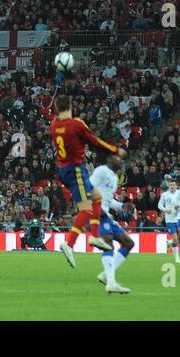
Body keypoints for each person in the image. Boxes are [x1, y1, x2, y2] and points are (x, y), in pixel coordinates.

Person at [49, 94, 120, 267]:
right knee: (86, 209)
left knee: (97, 197)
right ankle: (69, 244)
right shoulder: (76, 124)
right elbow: (94, 141)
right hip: (75, 169)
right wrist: (114, 150)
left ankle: (95, 237)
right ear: (71, 106)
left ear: (57, 109)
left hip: (63, 169)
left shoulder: (54, 125)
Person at [88, 154, 133, 294]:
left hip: (106, 216)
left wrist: (122, 205)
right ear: (110, 160)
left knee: (128, 243)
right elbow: (88, 188)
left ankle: (105, 275)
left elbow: (108, 200)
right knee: (108, 244)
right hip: (96, 213)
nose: (120, 161)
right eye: (118, 158)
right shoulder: (101, 171)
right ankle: (111, 282)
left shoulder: (114, 178)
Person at [158, 178, 180, 263]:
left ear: (176, 186)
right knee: (176, 239)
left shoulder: (179, 194)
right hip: (169, 220)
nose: (172, 186)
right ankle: (176, 258)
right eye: (171, 185)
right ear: (169, 186)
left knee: (179, 238)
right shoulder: (165, 195)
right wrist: (165, 210)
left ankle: (170, 243)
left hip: (178, 219)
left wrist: (179, 206)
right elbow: (159, 205)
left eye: (174, 185)